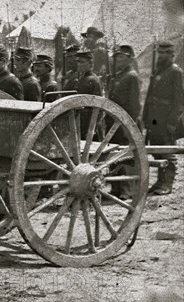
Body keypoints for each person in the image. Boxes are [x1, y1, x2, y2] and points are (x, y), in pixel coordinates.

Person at [143, 41, 184, 195]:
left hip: (166, 118)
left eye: (164, 53)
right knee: (157, 149)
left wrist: (172, 123)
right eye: (159, 53)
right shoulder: (158, 71)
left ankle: (167, 183)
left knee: (167, 150)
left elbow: (180, 101)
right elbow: (149, 96)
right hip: (154, 117)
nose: (160, 56)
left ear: (171, 55)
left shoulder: (176, 72)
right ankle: (160, 181)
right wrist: (145, 117)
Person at [107, 44, 141, 199]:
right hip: (113, 120)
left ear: (130, 59)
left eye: (122, 57)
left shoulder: (132, 76)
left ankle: (127, 190)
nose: (118, 60)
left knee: (126, 155)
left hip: (125, 121)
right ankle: (115, 188)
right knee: (114, 154)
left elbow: (135, 104)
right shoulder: (118, 76)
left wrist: (129, 124)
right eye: (117, 57)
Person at [75, 50, 103, 139]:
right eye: (78, 61)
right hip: (80, 120)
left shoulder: (94, 80)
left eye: (82, 62)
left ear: (90, 64)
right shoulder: (81, 78)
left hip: (89, 121)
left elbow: (99, 105)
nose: (79, 64)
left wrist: (93, 128)